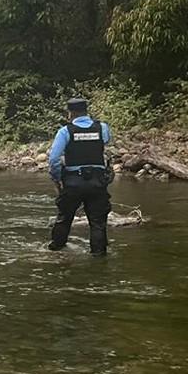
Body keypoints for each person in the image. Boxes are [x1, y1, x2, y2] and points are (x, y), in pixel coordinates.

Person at [47, 97, 113, 256]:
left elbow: (54, 159)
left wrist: (57, 178)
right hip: (97, 182)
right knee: (98, 223)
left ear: (71, 113)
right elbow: (106, 143)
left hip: (73, 182)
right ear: (86, 110)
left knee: (64, 218)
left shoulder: (65, 131)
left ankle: (56, 250)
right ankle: (99, 257)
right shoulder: (102, 128)